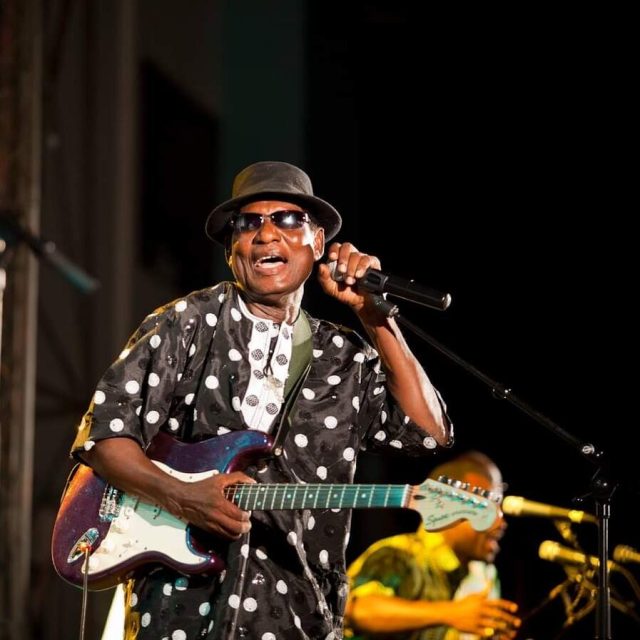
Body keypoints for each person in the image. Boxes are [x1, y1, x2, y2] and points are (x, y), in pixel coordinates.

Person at [68, 160, 453, 639]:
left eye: (288, 219)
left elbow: (427, 433)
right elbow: (104, 437)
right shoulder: (188, 321)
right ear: (232, 250)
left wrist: (376, 317)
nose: (267, 234)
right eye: (248, 223)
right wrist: (183, 496)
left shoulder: (344, 355)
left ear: (318, 243)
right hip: (181, 609)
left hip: (300, 613)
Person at [344, 451, 521, 640]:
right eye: (488, 507)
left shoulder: (483, 575)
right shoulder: (400, 554)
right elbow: (357, 611)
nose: (500, 522)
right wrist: (452, 613)